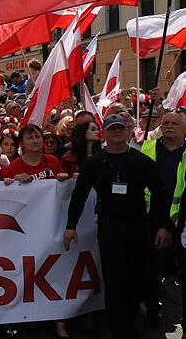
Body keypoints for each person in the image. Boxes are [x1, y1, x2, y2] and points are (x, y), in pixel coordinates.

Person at [65, 114, 171, 339]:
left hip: (139, 228)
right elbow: (79, 195)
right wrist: (70, 226)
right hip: (109, 228)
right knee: (113, 281)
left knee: (136, 278)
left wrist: (161, 225)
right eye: (112, 128)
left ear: (128, 131)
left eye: (121, 128)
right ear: (104, 133)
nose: (117, 131)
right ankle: (119, 330)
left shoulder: (143, 162)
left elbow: (160, 194)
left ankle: (132, 319)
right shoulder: (94, 163)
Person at [138, 110, 186, 326]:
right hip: (154, 218)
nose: (169, 126)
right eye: (165, 123)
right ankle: (151, 310)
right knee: (153, 268)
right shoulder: (148, 148)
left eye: (174, 123)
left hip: (182, 220)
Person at [1, 125, 68, 184]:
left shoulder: (53, 160)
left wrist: (64, 178)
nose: (35, 141)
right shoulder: (14, 166)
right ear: (22, 143)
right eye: (30, 138)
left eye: (38, 137)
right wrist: (14, 180)